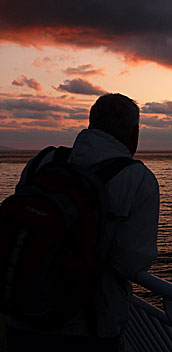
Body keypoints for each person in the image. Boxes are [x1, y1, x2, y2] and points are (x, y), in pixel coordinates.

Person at [4, 93, 160, 352]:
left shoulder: (42, 162)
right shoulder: (138, 179)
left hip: (20, 314)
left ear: (91, 124)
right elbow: (131, 262)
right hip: (89, 328)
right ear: (134, 134)